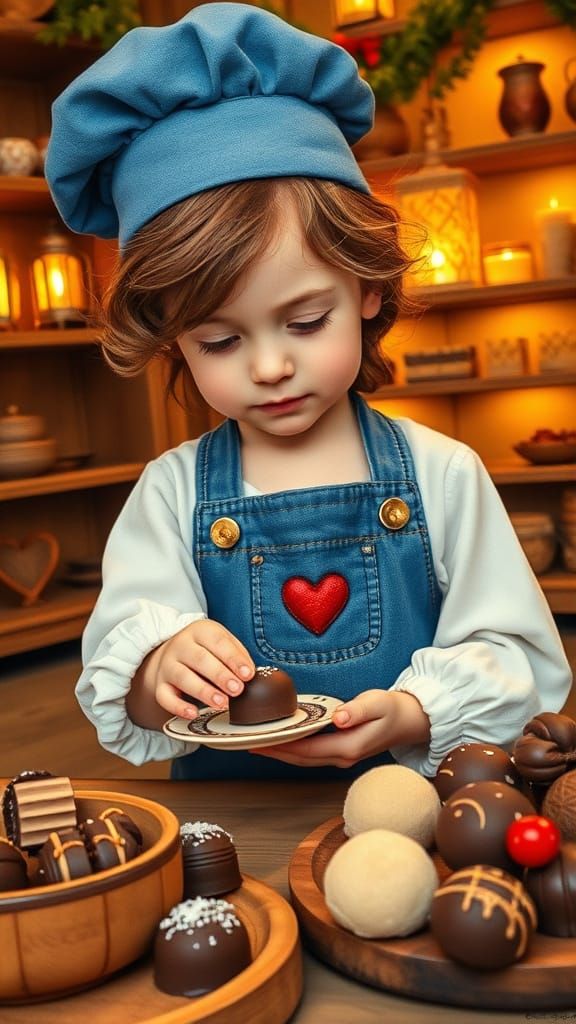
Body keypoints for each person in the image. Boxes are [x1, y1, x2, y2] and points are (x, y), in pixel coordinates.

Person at [46, 3, 571, 781]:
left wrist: (416, 712)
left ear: (364, 285)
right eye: (219, 341)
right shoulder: (172, 495)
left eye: (304, 320)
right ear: (173, 339)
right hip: (232, 843)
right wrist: (162, 674)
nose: (268, 367)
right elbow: (124, 680)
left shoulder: (442, 474)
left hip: (421, 819)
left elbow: (520, 660)